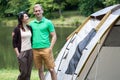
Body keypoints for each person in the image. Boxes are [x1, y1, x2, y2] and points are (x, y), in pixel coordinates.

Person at [29, 4, 57, 80]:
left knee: (51, 69)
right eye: (36, 11)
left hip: (46, 49)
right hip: (35, 50)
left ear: (42, 11)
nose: (38, 12)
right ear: (34, 13)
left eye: (39, 10)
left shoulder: (48, 22)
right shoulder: (31, 24)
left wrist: (50, 48)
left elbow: (54, 36)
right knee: (40, 70)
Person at [12, 11, 33, 80]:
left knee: (28, 72)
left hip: (30, 51)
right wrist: (18, 54)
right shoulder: (17, 29)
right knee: (24, 72)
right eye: (26, 16)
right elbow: (14, 43)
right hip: (22, 52)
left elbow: (31, 39)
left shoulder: (29, 28)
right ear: (21, 19)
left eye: (27, 16)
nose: (28, 17)